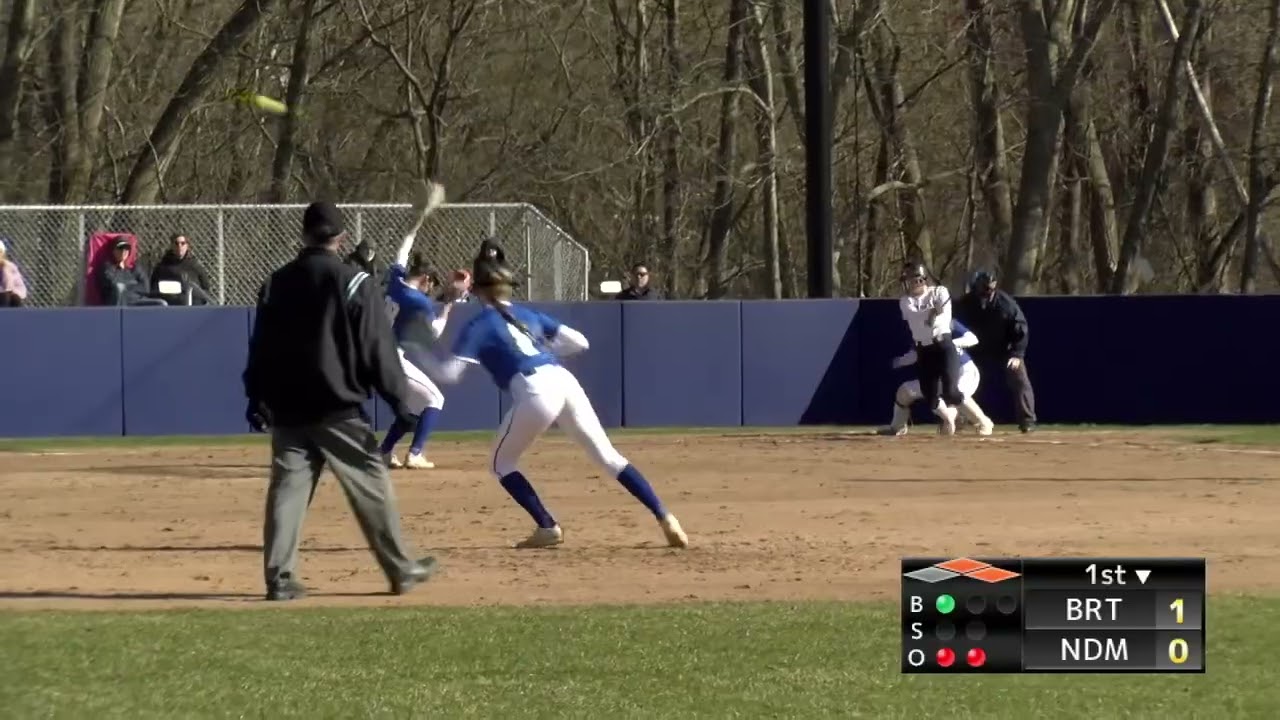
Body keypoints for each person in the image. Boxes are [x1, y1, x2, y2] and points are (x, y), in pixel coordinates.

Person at [416, 256, 689, 550]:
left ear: (478, 291)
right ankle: (665, 516)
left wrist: (416, 350)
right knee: (608, 457)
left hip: (535, 389)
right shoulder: (527, 315)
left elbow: (449, 374)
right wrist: (542, 348)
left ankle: (547, 526)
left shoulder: (479, 324)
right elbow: (580, 343)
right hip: (563, 379)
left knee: (501, 463)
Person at [242, 200, 438, 601]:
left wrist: (256, 395)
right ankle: (401, 569)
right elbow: (376, 347)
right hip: (337, 406)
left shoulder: (276, 282)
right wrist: (398, 398)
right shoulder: (354, 281)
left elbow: (260, 346)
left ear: (303, 234)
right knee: (371, 483)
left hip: (287, 406)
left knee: (287, 490)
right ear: (340, 237)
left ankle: (279, 579)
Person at [379, 230, 455, 469]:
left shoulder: (395, 279)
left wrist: (413, 228)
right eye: (430, 283)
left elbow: (402, 253)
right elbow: (434, 332)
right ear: (424, 278)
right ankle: (415, 453)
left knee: (412, 408)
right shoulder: (417, 301)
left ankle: (383, 451)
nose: (429, 289)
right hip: (390, 357)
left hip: (375, 353)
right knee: (435, 399)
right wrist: (448, 307)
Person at [955, 269, 1038, 433]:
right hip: (975, 347)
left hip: (1004, 348)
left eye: (987, 289)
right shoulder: (966, 303)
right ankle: (959, 419)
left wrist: (1016, 355)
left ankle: (1027, 421)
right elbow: (954, 323)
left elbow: (1021, 330)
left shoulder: (1006, 304)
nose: (984, 294)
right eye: (980, 289)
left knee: (1019, 377)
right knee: (960, 378)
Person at [880, 319, 994, 437]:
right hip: (940, 376)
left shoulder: (947, 321)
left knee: (955, 393)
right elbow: (914, 355)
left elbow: (972, 339)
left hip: (965, 371)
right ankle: (897, 427)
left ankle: (983, 422)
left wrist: (948, 345)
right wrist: (897, 362)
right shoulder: (918, 329)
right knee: (905, 391)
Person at [897, 260, 964, 434]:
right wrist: (931, 312)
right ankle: (949, 419)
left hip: (943, 345)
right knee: (930, 395)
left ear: (921, 279)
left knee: (951, 390)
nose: (908, 284)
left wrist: (934, 314)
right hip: (924, 350)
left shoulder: (939, 291)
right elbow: (916, 317)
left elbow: (943, 313)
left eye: (911, 280)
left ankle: (957, 415)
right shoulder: (905, 302)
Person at [96, 238, 167, 307]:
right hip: (119, 302)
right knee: (118, 288)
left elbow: (145, 288)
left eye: (126, 248)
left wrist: (125, 286)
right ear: (114, 251)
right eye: (120, 248)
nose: (123, 251)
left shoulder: (135, 268)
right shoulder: (107, 268)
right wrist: (134, 284)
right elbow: (113, 285)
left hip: (136, 300)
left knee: (161, 304)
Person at [150, 234, 213, 304]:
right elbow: (154, 287)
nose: (179, 246)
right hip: (171, 305)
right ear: (172, 246)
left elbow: (205, 286)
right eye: (176, 243)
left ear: (187, 246)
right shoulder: (162, 267)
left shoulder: (195, 265)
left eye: (183, 243)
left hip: (193, 305)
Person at [0, 239, 28, 307]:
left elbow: (20, 287)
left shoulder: (10, 267)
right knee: (4, 296)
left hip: (9, 295)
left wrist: (5, 269)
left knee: (14, 298)